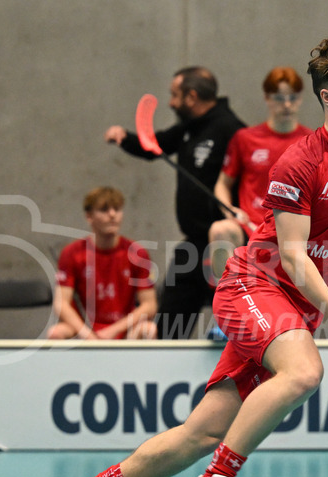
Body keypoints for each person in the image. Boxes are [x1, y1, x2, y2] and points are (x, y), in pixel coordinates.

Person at [55, 35, 328, 477]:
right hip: (255, 285)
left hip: (297, 308)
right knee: (305, 372)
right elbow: (292, 256)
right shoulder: (301, 162)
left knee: (200, 432)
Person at [105, 67, 245, 339]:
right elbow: (155, 145)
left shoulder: (232, 130)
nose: (170, 102)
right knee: (169, 326)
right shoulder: (188, 129)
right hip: (194, 243)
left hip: (226, 246)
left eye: (174, 95)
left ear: (191, 96)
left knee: (232, 328)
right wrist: (126, 138)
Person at [208, 66, 314, 288]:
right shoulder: (245, 139)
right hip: (250, 226)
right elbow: (222, 184)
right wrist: (230, 210)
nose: (286, 105)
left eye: (293, 98)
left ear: (300, 99)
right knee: (220, 230)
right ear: (267, 98)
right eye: (279, 98)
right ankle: (226, 300)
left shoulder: (312, 142)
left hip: (291, 231)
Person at [48, 186, 158, 340]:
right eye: (104, 209)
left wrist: (113, 330)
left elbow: (149, 305)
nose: (112, 214)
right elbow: (61, 304)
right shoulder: (72, 253)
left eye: (117, 209)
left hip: (125, 329)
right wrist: (88, 335)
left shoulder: (137, 253)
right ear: (89, 216)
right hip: (85, 330)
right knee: (55, 332)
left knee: (149, 329)